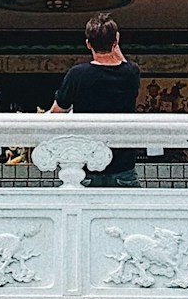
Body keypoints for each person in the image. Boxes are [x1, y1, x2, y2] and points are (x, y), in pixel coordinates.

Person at [52, 13, 140, 183]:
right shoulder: (131, 73)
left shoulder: (77, 74)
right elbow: (124, 64)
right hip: (123, 165)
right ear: (116, 41)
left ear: (88, 44)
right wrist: (115, 43)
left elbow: (58, 110)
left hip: (86, 164)